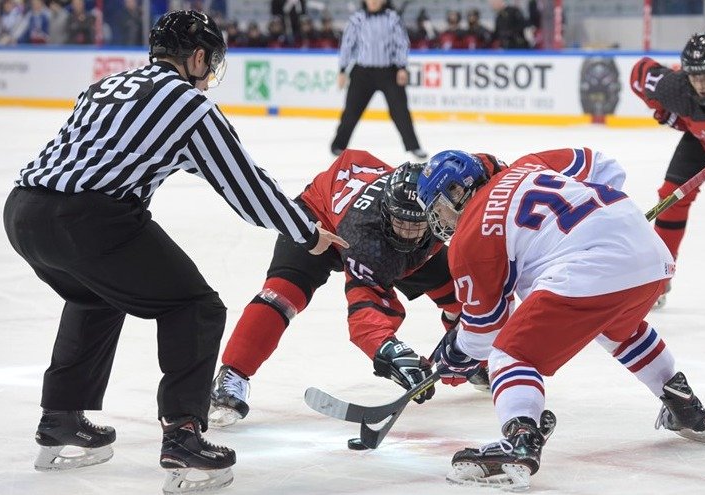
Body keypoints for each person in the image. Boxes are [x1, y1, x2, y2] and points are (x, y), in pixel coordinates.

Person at [2, 10, 345, 494]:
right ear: (198, 56)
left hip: (23, 213)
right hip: (89, 219)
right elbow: (244, 186)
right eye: (210, 61)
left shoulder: (109, 84)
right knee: (195, 306)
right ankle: (183, 436)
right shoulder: (189, 105)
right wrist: (307, 232)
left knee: (94, 294)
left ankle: (60, 418)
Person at [415, 148, 705, 489]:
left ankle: (521, 439)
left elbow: (485, 330)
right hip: (650, 254)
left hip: (590, 268)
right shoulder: (529, 165)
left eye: (439, 206)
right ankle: (682, 401)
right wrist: (594, 219)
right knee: (618, 329)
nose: (440, 218)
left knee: (512, 354)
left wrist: (455, 355)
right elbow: (607, 166)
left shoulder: (470, 237)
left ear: (458, 192)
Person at [209, 149, 494, 427]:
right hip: (319, 221)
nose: (407, 233)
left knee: (465, 297)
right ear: (386, 213)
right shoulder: (368, 242)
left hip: (391, 238)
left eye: (415, 224)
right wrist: (389, 352)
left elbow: (481, 169)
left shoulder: (439, 193)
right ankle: (233, 374)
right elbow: (365, 311)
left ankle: (472, 357)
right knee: (281, 295)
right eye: (400, 223)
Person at [630, 31, 705, 307]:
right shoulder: (675, 87)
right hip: (704, 140)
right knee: (672, 197)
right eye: (695, 76)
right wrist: (668, 113)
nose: (702, 85)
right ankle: (660, 274)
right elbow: (639, 74)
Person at [330, 0, 427, 161]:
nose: (373, 1)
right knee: (351, 111)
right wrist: (342, 69)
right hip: (362, 72)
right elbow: (347, 44)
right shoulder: (357, 19)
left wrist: (402, 67)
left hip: (389, 71)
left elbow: (401, 43)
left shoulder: (392, 18)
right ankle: (338, 145)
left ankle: (414, 146)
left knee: (400, 111)